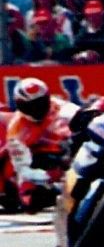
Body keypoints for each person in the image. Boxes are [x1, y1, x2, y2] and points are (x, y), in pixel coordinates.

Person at [2, 78, 79, 212]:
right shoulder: (16, 130)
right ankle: (58, 191)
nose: (36, 109)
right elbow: (23, 169)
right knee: (30, 202)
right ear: (20, 105)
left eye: (40, 103)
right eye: (31, 106)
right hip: (45, 165)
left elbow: (82, 117)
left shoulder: (61, 107)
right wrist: (49, 175)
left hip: (71, 153)